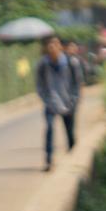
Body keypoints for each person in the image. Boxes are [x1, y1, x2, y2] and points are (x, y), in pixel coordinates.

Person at [36, 34, 78, 171]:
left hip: (68, 102)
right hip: (51, 103)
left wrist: (73, 99)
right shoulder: (43, 64)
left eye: (55, 43)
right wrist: (46, 99)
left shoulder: (70, 63)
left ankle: (73, 157)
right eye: (49, 44)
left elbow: (76, 83)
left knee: (70, 132)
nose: (52, 46)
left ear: (60, 46)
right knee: (49, 128)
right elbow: (39, 85)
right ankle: (49, 159)